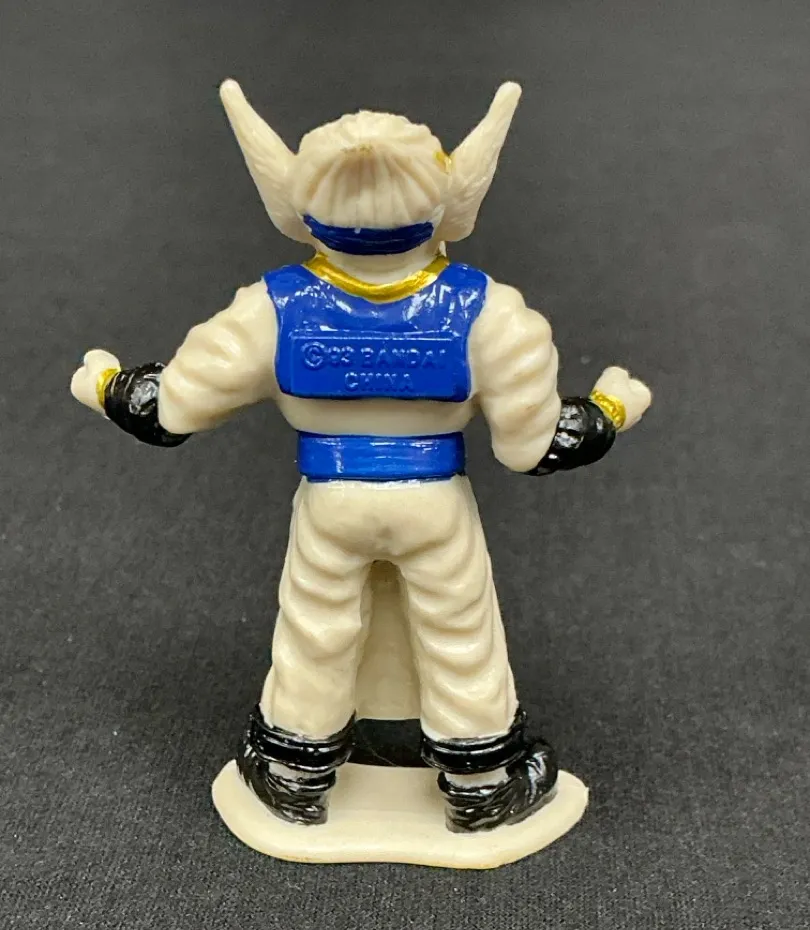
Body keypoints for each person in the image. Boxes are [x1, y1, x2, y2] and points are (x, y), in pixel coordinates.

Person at [71, 79, 651, 833]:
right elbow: (533, 446)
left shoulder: (270, 309)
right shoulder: (490, 313)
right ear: (452, 207)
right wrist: (608, 410)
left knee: (315, 631)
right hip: (434, 502)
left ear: (296, 211)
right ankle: (481, 782)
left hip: (332, 498)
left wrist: (109, 386)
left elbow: (171, 409)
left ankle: (292, 774)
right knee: (461, 635)